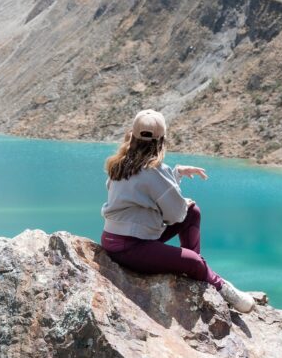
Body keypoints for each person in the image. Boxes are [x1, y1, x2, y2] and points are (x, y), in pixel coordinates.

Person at [100, 108, 255, 313]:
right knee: (192, 223)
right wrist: (183, 201)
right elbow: (175, 215)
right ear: (162, 141)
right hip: (132, 248)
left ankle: (198, 272)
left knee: (191, 212)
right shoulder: (154, 170)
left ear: (134, 137)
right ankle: (217, 284)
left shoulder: (121, 164)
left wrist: (176, 174)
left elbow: (143, 190)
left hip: (116, 240)